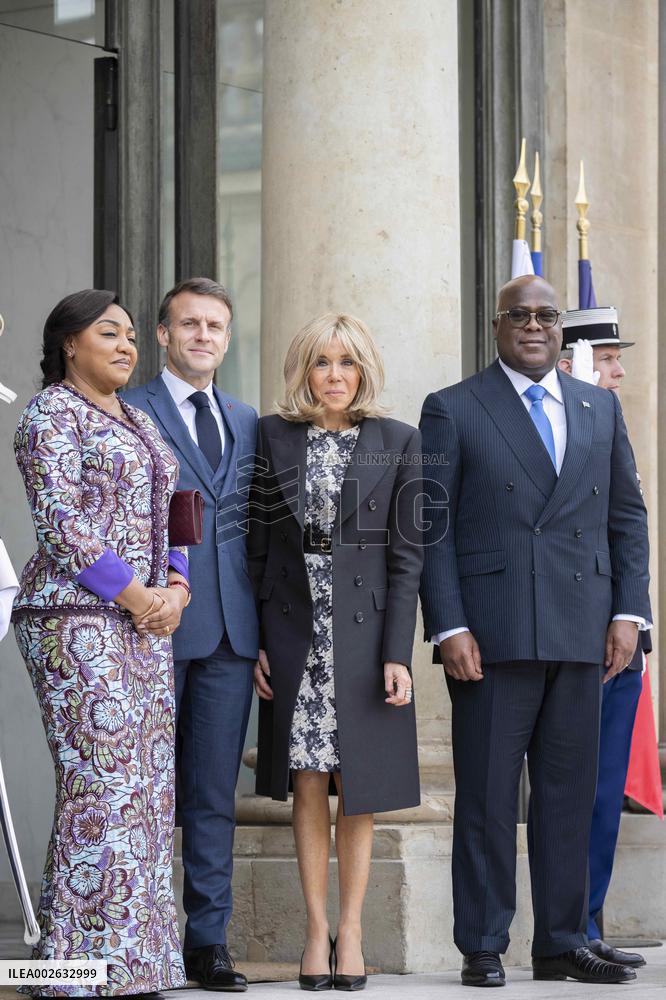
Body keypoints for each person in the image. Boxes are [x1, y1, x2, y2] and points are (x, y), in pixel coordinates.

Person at [419, 275, 650, 988]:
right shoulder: (453, 408)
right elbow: (432, 528)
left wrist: (627, 615)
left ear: (560, 329)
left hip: (583, 631)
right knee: (488, 799)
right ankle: (483, 943)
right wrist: (448, 624)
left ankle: (559, 941)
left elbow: (628, 519)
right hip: (491, 635)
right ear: (496, 327)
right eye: (519, 315)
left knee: (568, 796)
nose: (534, 326)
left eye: (546, 316)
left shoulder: (597, 409)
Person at [12, 289, 189, 996]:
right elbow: (60, 520)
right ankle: (73, 975)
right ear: (69, 345)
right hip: (74, 621)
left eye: (130, 337)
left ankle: (130, 968)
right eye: (107, 334)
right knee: (102, 785)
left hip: (147, 624)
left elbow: (181, 508)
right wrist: (137, 595)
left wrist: (176, 588)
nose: (125, 346)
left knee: (147, 791)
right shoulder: (49, 413)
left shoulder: (142, 420)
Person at [248, 314, 422, 992]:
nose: (334, 376)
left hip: (364, 637)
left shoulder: (399, 441)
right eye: (321, 362)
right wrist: (262, 639)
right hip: (296, 634)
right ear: (304, 371)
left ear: (363, 371)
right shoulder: (273, 437)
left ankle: (351, 931)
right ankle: (312, 932)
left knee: (361, 786)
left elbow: (407, 560)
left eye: (346, 363)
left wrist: (397, 653)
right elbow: (256, 550)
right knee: (308, 781)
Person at [124, 277, 258, 992]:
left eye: (215, 326)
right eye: (190, 324)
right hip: (149, 627)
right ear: (163, 334)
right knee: (142, 790)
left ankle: (207, 944)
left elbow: (259, 533)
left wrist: (267, 633)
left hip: (234, 635)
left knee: (211, 795)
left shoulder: (247, 417)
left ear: (227, 339)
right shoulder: (128, 409)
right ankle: (138, 940)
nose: (204, 335)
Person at [558, 306, 650, 968]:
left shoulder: (610, 425)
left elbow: (632, 531)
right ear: (572, 364)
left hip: (621, 637)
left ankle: (589, 922)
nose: (619, 371)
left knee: (606, 792)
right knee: (577, 791)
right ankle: (567, 928)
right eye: (608, 359)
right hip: (571, 640)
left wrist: (634, 619)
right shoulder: (552, 433)